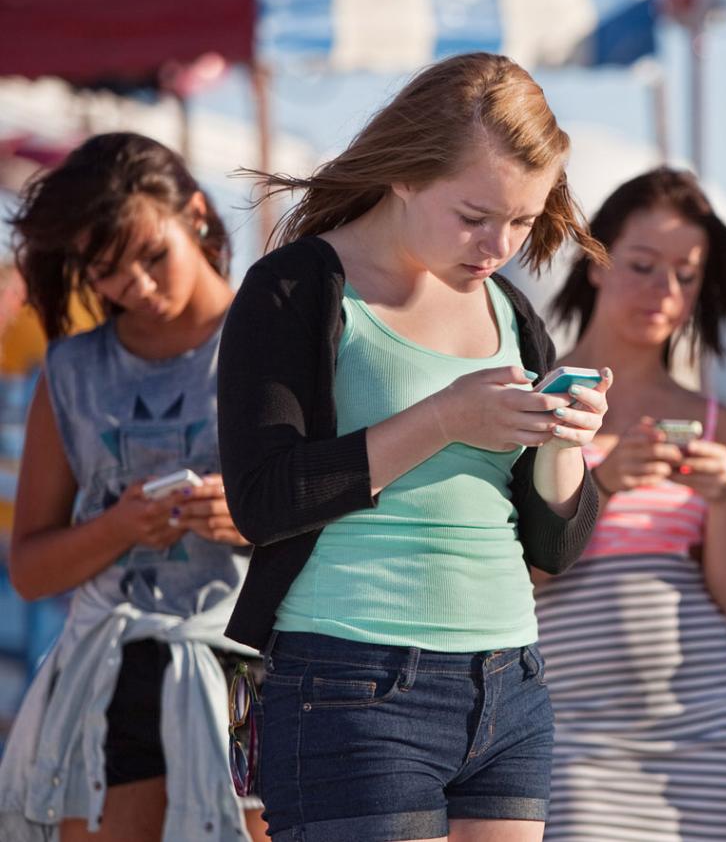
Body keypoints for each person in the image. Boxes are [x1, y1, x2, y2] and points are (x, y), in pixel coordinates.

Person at [217, 53, 609, 842]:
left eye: (523, 221)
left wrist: (566, 445)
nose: (498, 244)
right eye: (474, 215)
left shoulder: (511, 310)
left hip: (511, 683)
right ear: (403, 173)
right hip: (346, 680)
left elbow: (554, 549)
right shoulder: (294, 287)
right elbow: (262, 501)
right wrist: (443, 419)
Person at [0, 132, 267, 842]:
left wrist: (251, 517)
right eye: (108, 272)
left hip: (254, 670)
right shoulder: (71, 372)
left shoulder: (278, 340)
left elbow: (357, 514)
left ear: (197, 216)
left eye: (153, 256)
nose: (138, 288)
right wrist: (116, 528)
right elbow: (29, 569)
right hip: (106, 675)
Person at [536, 168, 726, 841]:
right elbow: (521, 575)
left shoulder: (715, 422)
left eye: (686, 275)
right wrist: (603, 487)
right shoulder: (535, 400)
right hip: (566, 731)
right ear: (595, 262)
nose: (664, 291)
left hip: (704, 732)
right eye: (641, 265)